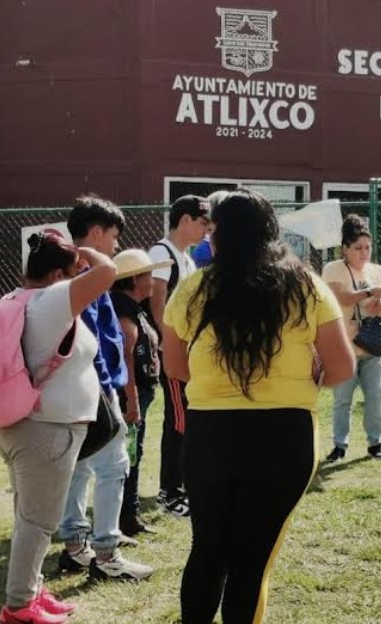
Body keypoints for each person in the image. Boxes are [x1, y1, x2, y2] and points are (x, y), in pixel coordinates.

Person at [161, 189, 355, 623]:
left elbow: (174, 364)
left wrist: (222, 386)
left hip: (210, 434)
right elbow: (341, 367)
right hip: (285, 435)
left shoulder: (194, 288)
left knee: (207, 548)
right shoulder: (306, 285)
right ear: (272, 229)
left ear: (219, 234)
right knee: (250, 560)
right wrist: (306, 376)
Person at [0, 232, 117, 624]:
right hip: (46, 429)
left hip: (21, 424)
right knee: (38, 521)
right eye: (73, 271)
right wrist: (86, 253)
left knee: (29, 516)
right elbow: (109, 270)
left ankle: (32, 589)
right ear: (61, 272)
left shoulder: (13, 299)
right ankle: (18, 607)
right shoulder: (53, 300)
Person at [57, 195, 153, 581]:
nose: (116, 246)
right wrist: (108, 389)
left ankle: (75, 546)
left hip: (75, 389)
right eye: (113, 236)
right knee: (113, 467)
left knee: (77, 467)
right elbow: (94, 337)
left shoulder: (65, 270)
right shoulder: (90, 275)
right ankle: (106, 554)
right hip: (94, 388)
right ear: (96, 233)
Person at [147, 194, 210, 518]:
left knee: (186, 419)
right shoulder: (161, 253)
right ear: (185, 220)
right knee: (178, 421)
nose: (207, 230)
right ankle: (169, 492)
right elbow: (157, 303)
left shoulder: (187, 258)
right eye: (202, 222)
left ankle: (181, 485)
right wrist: (167, 342)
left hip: (186, 351)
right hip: (171, 353)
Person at [321, 214, 381, 462]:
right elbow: (341, 298)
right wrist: (368, 292)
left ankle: (375, 443)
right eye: (358, 248)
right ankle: (339, 445)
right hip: (344, 346)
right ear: (344, 248)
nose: (364, 253)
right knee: (342, 399)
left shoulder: (377, 271)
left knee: (375, 395)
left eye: (368, 247)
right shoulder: (332, 268)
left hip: (372, 343)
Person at [109, 249, 172, 537]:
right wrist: (132, 399)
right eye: (148, 275)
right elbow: (126, 356)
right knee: (129, 455)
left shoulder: (135, 307)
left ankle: (129, 515)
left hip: (142, 392)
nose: (153, 281)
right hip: (130, 395)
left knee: (134, 453)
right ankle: (126, 518)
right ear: (135, 279)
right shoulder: (124, 310)